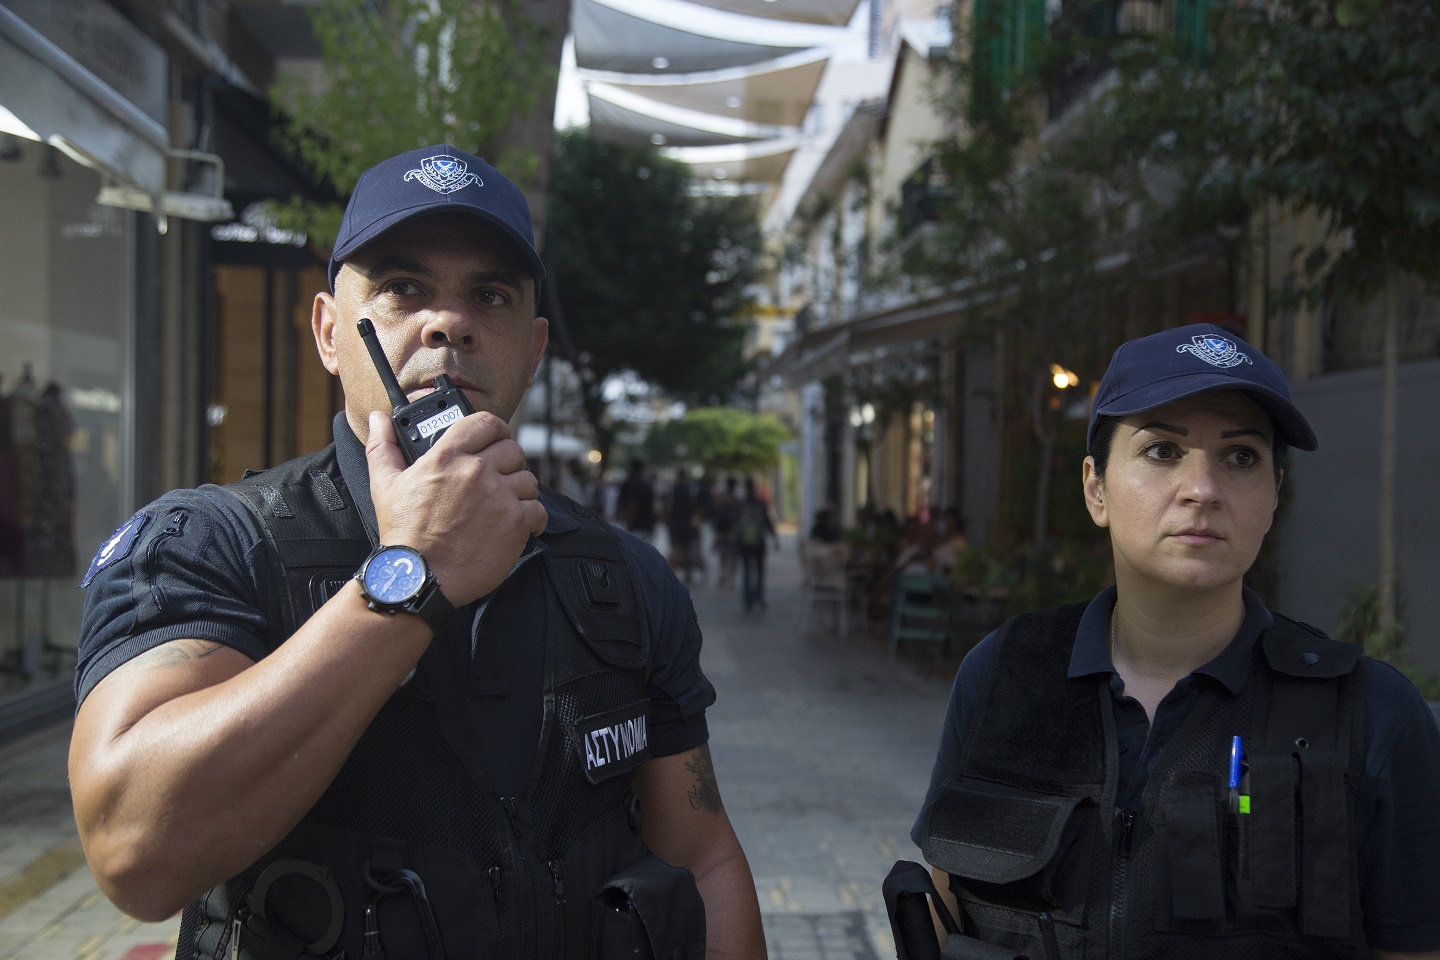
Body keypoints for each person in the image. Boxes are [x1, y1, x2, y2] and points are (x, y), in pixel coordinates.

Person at [68, 145, 766, 960]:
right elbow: (134, 853)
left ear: (534, 349)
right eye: (402, 289)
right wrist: (411, 575)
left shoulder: (625, 579)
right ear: (330, 331)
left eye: (489, 294)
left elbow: (703, 856)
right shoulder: (211, 544)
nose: (448, 321)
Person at [894, 324, 1440, 959]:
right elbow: (947, 913)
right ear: (1096, 488)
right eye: (1161, 451)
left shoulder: (1371, 714)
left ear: (1272, 497)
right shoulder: (1003, 675)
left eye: (1241, 457)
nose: (1202, 490)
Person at [735, 478, 777, 612]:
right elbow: (767, 520)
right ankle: (758, 596)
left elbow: (735, 523)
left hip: (744, 542)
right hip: (758, 541)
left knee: (747, 571)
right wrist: (774, 537)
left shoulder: (740, 504)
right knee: (759, 571)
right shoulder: (760, 503)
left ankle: (748, 601)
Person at [617, 458, 658, 543]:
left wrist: (628, 524)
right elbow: (653, 507)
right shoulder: (647, 485)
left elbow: (632, 506)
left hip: (634, 526)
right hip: (645, 526)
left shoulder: (630, 484)